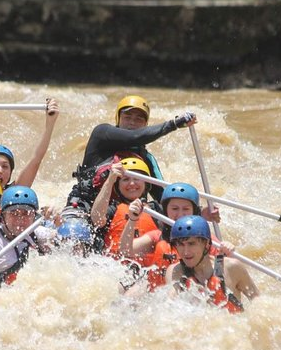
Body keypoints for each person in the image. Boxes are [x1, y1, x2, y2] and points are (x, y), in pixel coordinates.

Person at [64, 95, 197, 213]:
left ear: (146, 124)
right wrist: (173, 124)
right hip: (86, 208)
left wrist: (197, 212)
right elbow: (134, 136)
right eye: (127, 117)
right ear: (118, 119)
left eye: (139, 119)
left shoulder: (147, 159)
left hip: (126, 216)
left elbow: (164, 197)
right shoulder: (101, 134)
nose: (132, 122)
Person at [119, 182, 221, 291]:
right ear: (166, 210)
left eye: (186, 209)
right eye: (175, 209)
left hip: (187, 294)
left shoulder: (206, 240)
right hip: (156, 291)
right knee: (128, 295)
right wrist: (132, 219)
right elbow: (126, 250)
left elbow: (222, 266)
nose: (180, 214)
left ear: (194, 211)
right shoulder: (157, 236)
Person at [165, 215, 259, 312]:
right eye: (180, 244)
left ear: (207, 244)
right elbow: (169, 305)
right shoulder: (175, 271)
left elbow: (259, 303)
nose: (186, 252)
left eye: (191, 243)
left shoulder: (232, 267)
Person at [90, 157, 159, 261]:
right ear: (118, 186)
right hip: (117, 269)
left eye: (136, 178)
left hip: (150, 270)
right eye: (126, 179)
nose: (132, 184)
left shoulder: (156, 209)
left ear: (146, 183)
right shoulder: (113, 209)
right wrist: (110, 180)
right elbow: (97, 219)